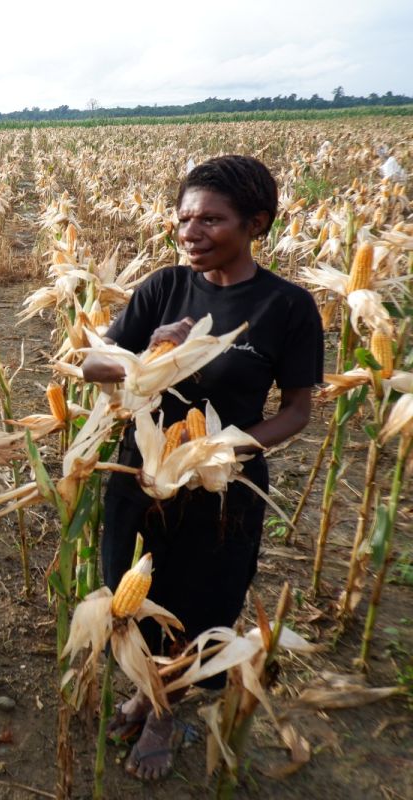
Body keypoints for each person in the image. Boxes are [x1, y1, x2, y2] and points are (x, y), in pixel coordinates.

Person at [82, 155, 323, 780]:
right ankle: (143, 689)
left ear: (255, 224)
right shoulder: (163, 287)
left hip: (223, 486)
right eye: (185, 217)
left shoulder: (287, 307)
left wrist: (224, 450)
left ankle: (166, 714)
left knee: (200, 606)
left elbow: (297, 411)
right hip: (140, 475)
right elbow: (92, 365)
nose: (191, 231)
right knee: (132, 597)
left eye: (211, 219)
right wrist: (154, 348)